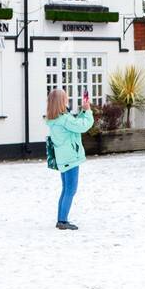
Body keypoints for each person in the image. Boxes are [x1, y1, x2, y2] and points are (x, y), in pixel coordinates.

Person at [46, 88, 93, 230]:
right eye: (65, 98)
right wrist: (88, 111)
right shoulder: (64, 119)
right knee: (71, 190)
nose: (67, 100)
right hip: (71, 158)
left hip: (63, 158)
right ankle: (62, 221)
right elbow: (83, 126)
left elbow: (74, 124)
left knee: (66, 189)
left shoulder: (56, 119)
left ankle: (61, 218)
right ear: (61, 102)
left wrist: (82, 113)